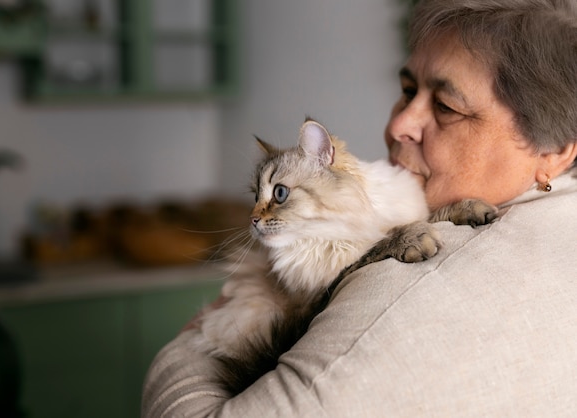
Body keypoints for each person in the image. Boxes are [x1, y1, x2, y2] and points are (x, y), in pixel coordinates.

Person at [142, 0, 577, 415]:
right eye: (407, 90)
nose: (398, 123)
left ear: (555, 150)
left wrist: (185, 347)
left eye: (446, 106)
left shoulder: (402, 293)